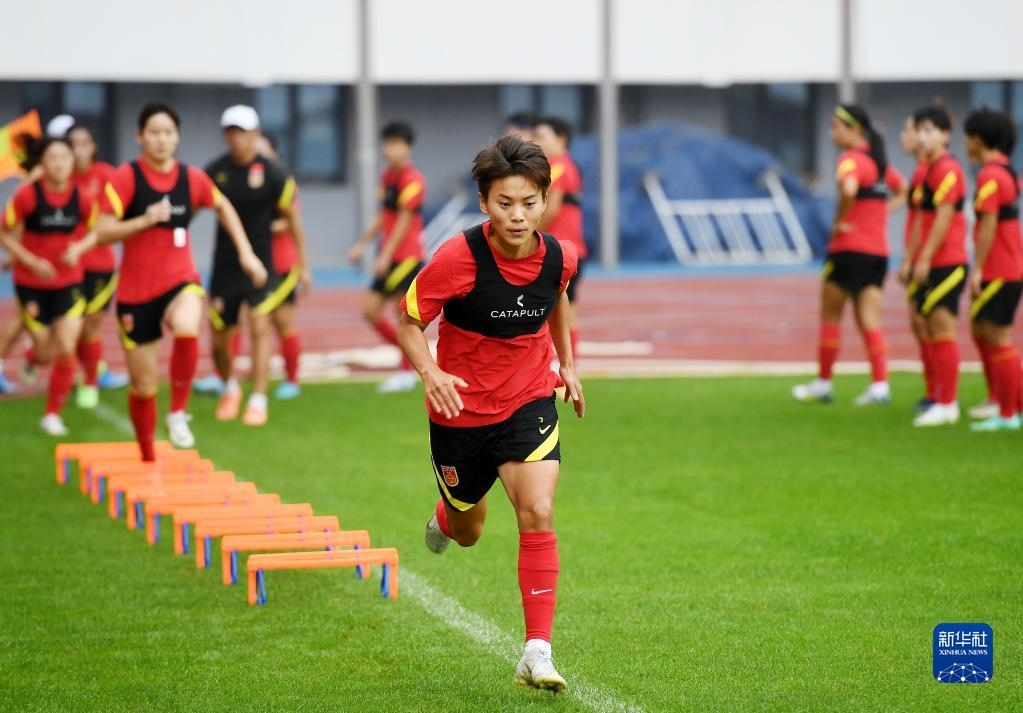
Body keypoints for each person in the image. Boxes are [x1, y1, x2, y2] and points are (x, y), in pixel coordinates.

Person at [397, 135, 583, 693]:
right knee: (469, 530)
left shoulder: (561, 256)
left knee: (538, 509)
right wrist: (431, 373)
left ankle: (537, 650)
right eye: (505, 203)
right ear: (484, 203)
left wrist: (568, 364)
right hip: (460, 410)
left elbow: (556, 296)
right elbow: (409, 322)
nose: (518, 215)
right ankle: (446, 515)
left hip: (528, 398)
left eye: (529, 202)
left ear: (546, 200)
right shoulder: (456, 259)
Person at [85, 102, 266, 458]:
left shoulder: (191, 178)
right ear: (140, 136)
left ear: (177, 137)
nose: (161, 140)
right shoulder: (126, 178)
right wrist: (145, 220)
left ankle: (178, 412)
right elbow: (102, 231)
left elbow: (223, 206)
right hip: (137, 293)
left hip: (180, 280)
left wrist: (246, 252)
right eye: (154, 133)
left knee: (187, 324)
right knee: (144, 386)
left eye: (168, 133)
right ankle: (147, 454)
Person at [204, 106, 306, 424]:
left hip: (262, 264)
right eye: (231, 132)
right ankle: (230, 387)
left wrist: (304, 263)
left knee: (260, 326)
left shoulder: (274, 172)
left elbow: (292, 219)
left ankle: (259, 399)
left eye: (243, 132)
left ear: (256, 134)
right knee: (220, 338)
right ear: (225, 136)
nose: (238, 139)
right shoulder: (215, 171)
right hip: (225, 265)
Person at [793, 105, 898, 406]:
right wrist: (882, 212)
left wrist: (839, 220)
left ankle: (823, 383)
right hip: (878, 253)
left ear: (854, 129)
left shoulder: (850, 160)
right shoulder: (880, 164)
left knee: (831, 317)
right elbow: (905, 189)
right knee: (870, 320)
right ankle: (880, 385)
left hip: (848, 249)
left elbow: (849, 189)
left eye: (836, 126)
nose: (832, 133)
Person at [0, 137, 91, 435]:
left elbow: (98, 230)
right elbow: (4, 231)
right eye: (53, 157)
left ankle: (52, 414)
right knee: (44, 353)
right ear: (43, 163)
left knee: (66, 348)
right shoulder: (27, 196)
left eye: (64, 157)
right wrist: (29, 260)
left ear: (72, 161)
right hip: (31, 285)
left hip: (69, 283)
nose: (59, 163)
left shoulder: (82, 197)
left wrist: (79, 249)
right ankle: (31, 358)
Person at [900, 104, 969, 427]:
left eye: (929, 131)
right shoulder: (926, 171)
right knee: (928, 326)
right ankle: (938, 395)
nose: (922, 138)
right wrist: (910, 257)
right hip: (929, 261)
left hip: (948, 261)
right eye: (920, 131)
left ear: (945, 134)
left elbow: (943, 217)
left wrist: (925, 257)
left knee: (942, 328)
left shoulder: (947, 169)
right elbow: (919, 221)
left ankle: (947, 402)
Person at [348, 121, 426, 393]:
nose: (389, 149)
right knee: (370, 312)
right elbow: (384, 216)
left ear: (407, 147)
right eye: (387, 143)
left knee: (401, 315)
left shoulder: (413, 179)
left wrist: (385, 255)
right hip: (390, 256)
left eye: (395, 144)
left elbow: (404, 221)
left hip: (406, 257)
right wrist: (362, 245)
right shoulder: (387, 177)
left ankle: (405, 372)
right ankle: (409, 357)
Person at [963, 108, 1023, 431]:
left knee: (1000, 338)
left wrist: (978, 269)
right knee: (984, 330)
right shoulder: (1006, 171)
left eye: (967, 137)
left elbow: (988, 226)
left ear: (977, 139)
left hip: (1000, 269)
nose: (965, 143)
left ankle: (1008, 414)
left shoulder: (990, 175)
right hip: (1009, 266)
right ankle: (1011, 405)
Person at [66, 122, 129, 408]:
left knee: (90, 326)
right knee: (69, 328)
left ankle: (90, 381)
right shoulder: (58, 176)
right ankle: (89, 369)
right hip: (67, 266)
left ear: (93, 147)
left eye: (84, 144)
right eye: (73, 144)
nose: (78, 151)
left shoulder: (106, 176)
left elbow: (114, 219)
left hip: (99, 264)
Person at [253, 133, 310, 399]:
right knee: (248, 321)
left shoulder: (283, 182)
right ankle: (231, 380)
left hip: (282, 263)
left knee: (282, 322)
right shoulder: (251, 182)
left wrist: (304, 266)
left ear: (275, 153)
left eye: (262, 150)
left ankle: (292, 379)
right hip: (257, 263)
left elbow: (292, 221)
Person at [534, 116, 586, 360]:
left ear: (561, 139)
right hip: (567, 249)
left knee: (553, 312)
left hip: (559, 251)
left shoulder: (558, 167)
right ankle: (567, 366)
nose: (537, 141)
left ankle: (562, 365)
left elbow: (551, 209)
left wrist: (527, 235)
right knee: (564, 310)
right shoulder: (561, 165)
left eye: (542, 136)